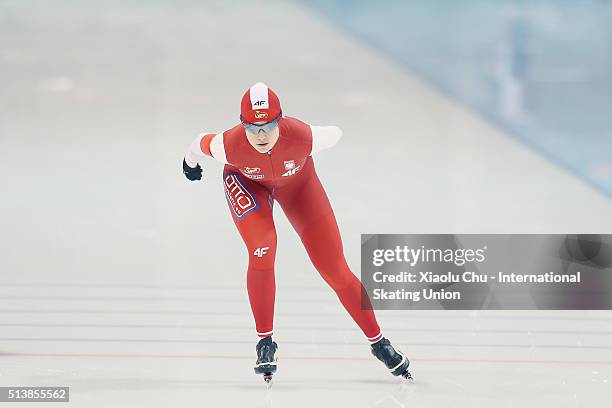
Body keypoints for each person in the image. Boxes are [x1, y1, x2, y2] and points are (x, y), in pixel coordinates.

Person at [182, 82, 412, 383]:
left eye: (269, 126)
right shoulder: (227, 145)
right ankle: (265, 341)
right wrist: (190, 163)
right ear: (242, 125)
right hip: (248, 184)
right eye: (253, 128)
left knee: (334, 268)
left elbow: (336, 132)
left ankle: (379, 342)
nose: (261, 135)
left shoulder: (305, 137)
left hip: (299, 186)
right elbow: (198, 142)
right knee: (263, 246)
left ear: (281, 121)